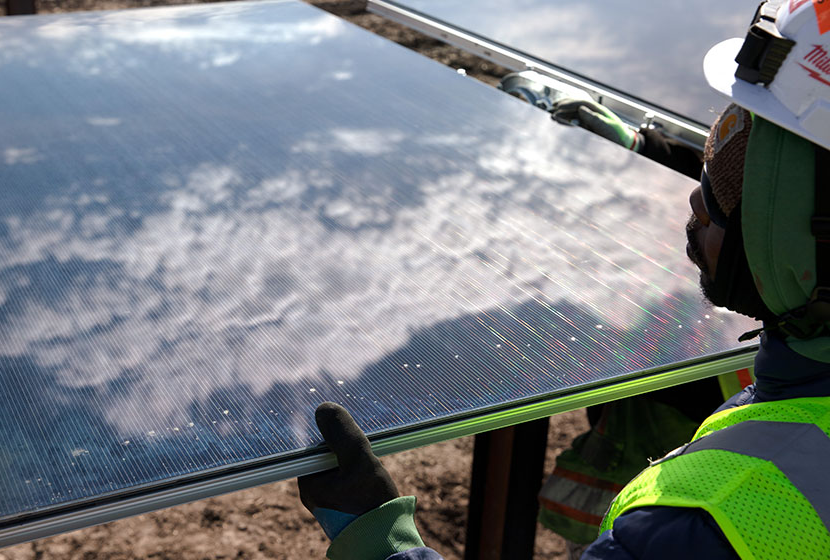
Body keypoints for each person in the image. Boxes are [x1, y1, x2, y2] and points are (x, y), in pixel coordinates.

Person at [296, 1, 830, 558]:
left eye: (736, 171)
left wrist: (379, 541)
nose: (699, 197)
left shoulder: (703, 526)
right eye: (722, 142)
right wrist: (644, 147)